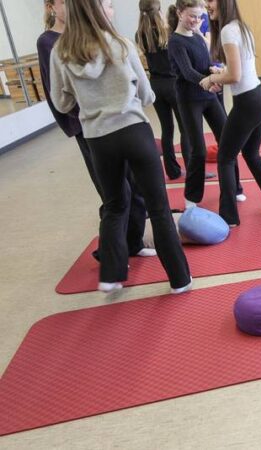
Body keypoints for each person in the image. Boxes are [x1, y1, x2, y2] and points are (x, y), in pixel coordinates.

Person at [50, 0, 192, 294]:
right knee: (159, 208)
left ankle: (112, 275)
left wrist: (89, 98)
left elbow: (62, 103)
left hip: (98, 138)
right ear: (98, 11)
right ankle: (180, 279)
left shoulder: (60, 53)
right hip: (134, 131)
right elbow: (147, 94)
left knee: (115, 205)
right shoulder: (121, 44)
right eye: (109, 5)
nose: (112, 11)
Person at [38, 0, 152, 265]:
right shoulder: (50, 43)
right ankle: (112, 255)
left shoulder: (96, 37)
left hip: (120, 122)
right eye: (62, 3)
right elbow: (57, 93)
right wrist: (77, 124)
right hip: (90, 128)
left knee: (133, 186)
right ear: (50, 7)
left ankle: (133, 243)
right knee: (113, 193)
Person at [200, 0, 261, 226]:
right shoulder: (240, 26)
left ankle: (228, 217)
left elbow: (235, 76)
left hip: (248, 102)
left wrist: (212, 78)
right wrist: (222, 72)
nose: (206, 5)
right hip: (259, 97)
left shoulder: (228, 30)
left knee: (225, 157)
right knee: (251, 153)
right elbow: (240, 69)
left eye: (210, 1)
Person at [167, 0, 243, 209]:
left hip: (209, 97)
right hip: (190, 99)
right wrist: (210, 83)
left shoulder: (198, 37)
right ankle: (192, 197)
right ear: (180, 13)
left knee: (228, 142)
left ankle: (234, 188)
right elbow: (187, 72)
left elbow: (206, 63)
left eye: (200, 17)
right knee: (198, 150)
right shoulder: (175, 41)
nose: (197, 21)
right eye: (192, 16)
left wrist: (216, 71)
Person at [137, 0, 191, 180]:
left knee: (166, 129)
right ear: (158, 10)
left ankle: (172, 170)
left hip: (156, 85)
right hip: (172, 84)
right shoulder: (167, 32)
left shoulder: (140, 34)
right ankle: (192, 169)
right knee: (185, 128)